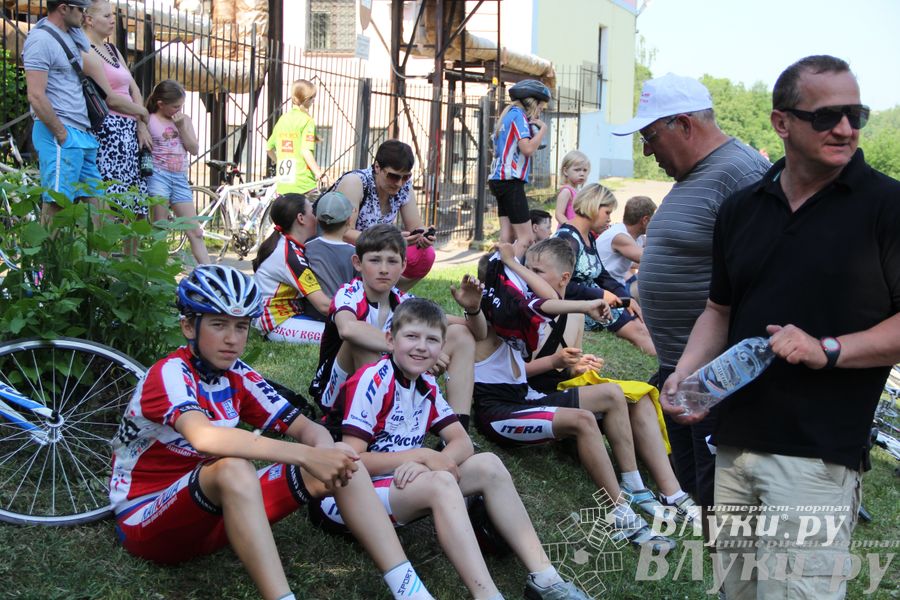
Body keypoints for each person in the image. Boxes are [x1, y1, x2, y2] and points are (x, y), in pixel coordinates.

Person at [660, 55, 900, 600]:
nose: (845, 128)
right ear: (781, 122)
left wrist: (829, 349)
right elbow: (718, 310)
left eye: (855, 114)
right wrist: (686, 372)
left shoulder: (887, 206)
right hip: (734, 444)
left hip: (816, 458)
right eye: (826, 116)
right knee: (737, 593)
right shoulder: (743, 208)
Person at [109, 264, 437, 600]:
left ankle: (409, 589)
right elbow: (204, 437)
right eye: (218, 325)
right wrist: (306, 456)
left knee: (340, 456)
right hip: (148, 522)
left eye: (241, 327)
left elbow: (307, 427)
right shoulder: (169, 373)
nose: (232, 339)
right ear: (188, 326)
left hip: (218, 517)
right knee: (233, 466)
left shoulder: (237, 373)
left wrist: (325, 453)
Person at [317, 298, 591, 600]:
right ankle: (487, 595)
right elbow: (351, 463)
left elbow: (461, 442)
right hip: (344, 499)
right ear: (390, 340)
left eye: (432, 340)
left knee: (489, 465)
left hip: (401, 483)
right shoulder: (373, 378)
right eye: (411, 337)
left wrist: (434, 461)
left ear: (442, 347)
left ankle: (546, 580)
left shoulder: (426, 384)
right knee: (442, 482)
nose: (421, 347)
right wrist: (422, 457)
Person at [611, 73, 770, 514]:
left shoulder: (739, 172)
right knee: (703, 492)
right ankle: (730, 582)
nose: (645, 149)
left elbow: (756, 282)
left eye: (650, 135)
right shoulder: (696, 173)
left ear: (683, 124)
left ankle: (744, 582)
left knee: (729, 503)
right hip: (683, 372)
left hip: (718, 381)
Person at [469, 244, 675, 552]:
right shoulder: (481, 319)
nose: (526, 287)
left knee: (612, 393)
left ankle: (634, 487)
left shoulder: (514, 312)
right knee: (583, 419)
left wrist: (582, 306)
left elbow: (550, 301)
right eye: (520, 280)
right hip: (498, 414)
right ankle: (619, 510)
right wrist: (509, 263)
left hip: (526, 398)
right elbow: (543, 302)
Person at [523, 238, 698, 524]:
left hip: (560, 391)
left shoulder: (575, 314)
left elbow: (564, 371)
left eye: (537, 271)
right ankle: (635, 487)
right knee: (614, 393)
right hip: (533, 398)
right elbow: (511, 373)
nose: (527, 276)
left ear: (564, 277)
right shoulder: (525, 308)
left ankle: (672, 492)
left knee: (641, 397)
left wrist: (577, 366)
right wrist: (557, 362)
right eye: (526, 268)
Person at [309, 224, 484, 435]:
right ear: (358, 263)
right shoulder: (349, 293)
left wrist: (473, 309)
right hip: (336, 391)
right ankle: (382, 426)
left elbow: (475, 332)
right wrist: (407, 350)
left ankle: (457, 429)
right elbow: (348, 329)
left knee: (460, 336)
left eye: (392, 261)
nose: (384, 269)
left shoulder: (403, 302)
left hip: (390, 379)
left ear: (403, 266)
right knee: (362, 340)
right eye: (374, 260)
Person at [22, 0, 140, 225]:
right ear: (64, 8)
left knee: (97, 202)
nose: (84, 15)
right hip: (61, 131)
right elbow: (36, 95)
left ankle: (93, 260)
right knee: (57, 203)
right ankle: (46, 260)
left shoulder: (71, 35)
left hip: (81, 132)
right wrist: (62, 134)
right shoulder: (40, 39)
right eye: (80, 9)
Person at [553, 184, 656, 356]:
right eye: (607, 212)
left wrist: (626, 299)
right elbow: (560, 286)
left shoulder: (587, 237)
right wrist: (601, 295)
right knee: (639, 331)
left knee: (641, 324)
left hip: (591, 300)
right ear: (593, 205)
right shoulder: (567, 239)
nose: (610, 219)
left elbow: (602, 275)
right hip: (575, 307)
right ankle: (675, 372)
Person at [331, 140, 434, 291]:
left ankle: (392, 295)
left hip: (374, 248)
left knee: (425, 254)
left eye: (405, 177)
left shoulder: (404, 186)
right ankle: (378, 294)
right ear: (377, 167)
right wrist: (384, 240)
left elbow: (415, 227)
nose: (399, 183)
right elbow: (343, 233)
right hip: (342, 248)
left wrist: (423, 235)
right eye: (393, 176)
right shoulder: (355, 182)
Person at [83, 0, 152, 219]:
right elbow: (111, 99)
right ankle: (104, 252)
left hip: (129, 129)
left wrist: (141, 124)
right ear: (89, 20)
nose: (113, 20)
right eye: (106, 16)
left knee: (134, 203)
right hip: (109, 130)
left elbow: (134, 88)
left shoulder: (112, 50)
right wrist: (142, 113)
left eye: (112, 15)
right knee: (111, 199)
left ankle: (130, 254)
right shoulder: (86, 50)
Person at [145, 79, 210, 265]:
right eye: (175, 106)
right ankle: (158, 272)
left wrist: (181, 127)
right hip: (159, 176)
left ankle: (212, 272)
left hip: (180, 177)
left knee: (195, 231)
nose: (178, 110)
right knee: (160, 228)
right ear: (160, 104)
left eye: (181, 106)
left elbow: (194, 149)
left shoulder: (184, 120)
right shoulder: (150, 120)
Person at [252, 194, 331, 344]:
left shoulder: (287, 244)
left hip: (287, 317)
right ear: (301, 218)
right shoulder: (290, 254)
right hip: (277, 323)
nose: (316, 218)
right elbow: (323, 305)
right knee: (340, 336)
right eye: (313, 212)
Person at [488, 79, 550, 259]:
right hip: (510, 181)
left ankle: (494, 276)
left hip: (498, 180)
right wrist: (542, 130)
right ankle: (507, 278)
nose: (541, 111)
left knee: (507, 237)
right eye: (541, 107)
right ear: (533, 102)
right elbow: (528, 148)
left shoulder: (507, 116)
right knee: (526, 239)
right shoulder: (520, 117)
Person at [266, 79, 324, 197]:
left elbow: (268, 148)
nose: (313, 101)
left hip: (283, 185)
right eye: (312, 98)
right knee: (313, 214)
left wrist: (279, 162)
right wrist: (319, 173)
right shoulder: (307, 120)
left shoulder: (283, 119)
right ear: (306, 99)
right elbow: (305, 150)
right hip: (304, 184)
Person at [305, 191, 358, 317]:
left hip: (312, 313)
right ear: (349, 220)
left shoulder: (307, 248)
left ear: (317, 219)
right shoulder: (355, 253)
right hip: (344, 314)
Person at [595, 196, 656, 301]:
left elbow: (657, 244)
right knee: (652, 284)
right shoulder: (620, 236)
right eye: (654, 219)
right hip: (604, 291)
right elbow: (650, 259)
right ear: (645, 220)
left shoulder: (634, 235)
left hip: (614, 285)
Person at [554, 150, 590, 227]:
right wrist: (571, 228)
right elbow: (559, 214)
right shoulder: (566, 191)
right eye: (577, 170)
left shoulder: (578, 191)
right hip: (567, 234)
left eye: (585, 170)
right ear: (565, 171)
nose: (582, 174)